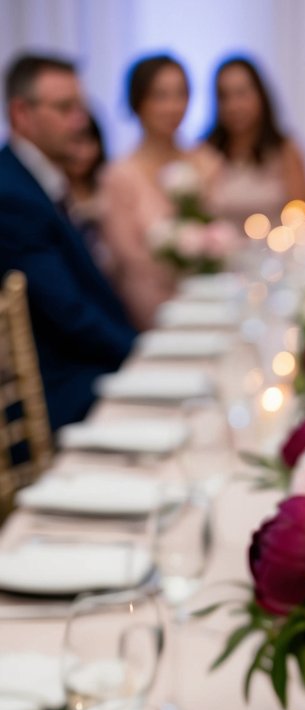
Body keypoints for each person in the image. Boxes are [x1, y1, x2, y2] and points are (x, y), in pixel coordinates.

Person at [0, 54, 135, 430]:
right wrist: (138, 354)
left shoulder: (34, 178)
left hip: (79, 370)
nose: (79, 121)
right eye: (65, 108)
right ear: (21, 114)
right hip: (57, 394)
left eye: (80, 107)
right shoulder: (10, 193)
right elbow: (70, 314)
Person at [99, 53, 214, 330]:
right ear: (138, 102)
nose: (173, 106)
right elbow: (128, 259)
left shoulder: (207, 161)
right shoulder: (120, 175)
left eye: (181, 94)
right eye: (160, 96)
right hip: (151, 309)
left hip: (212, 298)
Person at [202, 56, 305, 230]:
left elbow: (301, 213)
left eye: (241, 94)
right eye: (225, 96)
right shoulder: (205, 151)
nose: (234, 105)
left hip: (275, 252)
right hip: (218, 254)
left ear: (260, 95)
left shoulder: (284, 149)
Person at [64, 110, 108, 265]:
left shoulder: (109, 185)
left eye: (89, 142)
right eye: (75, 142)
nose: (83, 153)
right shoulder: (53, 192)